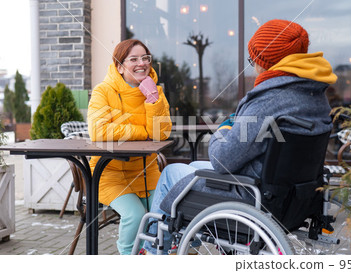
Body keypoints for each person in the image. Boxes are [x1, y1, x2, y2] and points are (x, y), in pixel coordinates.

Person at [140, 19, 337, 254]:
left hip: (252, 196)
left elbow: (222, 160)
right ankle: (186, 237)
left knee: (172, 172)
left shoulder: (270, 98)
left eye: (253, 60)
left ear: (267, 62)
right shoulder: (314, 96)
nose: (253, 67)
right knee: (193, 165)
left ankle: (152, 252)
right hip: (293, 198)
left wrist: (224, 129)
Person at [87, 39, 172, 255]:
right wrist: (142, 132)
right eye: (133, 59)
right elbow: (99, 131)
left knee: (167, 210)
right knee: (135, 213)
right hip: (109, 174)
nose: (141, 63)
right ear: (120, 66)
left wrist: (153, 100)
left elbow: (161, 134)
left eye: (145, 58)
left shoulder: (156, 92)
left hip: (146, 172)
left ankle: (153, 252)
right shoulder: (103, 91)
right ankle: (127, 255)